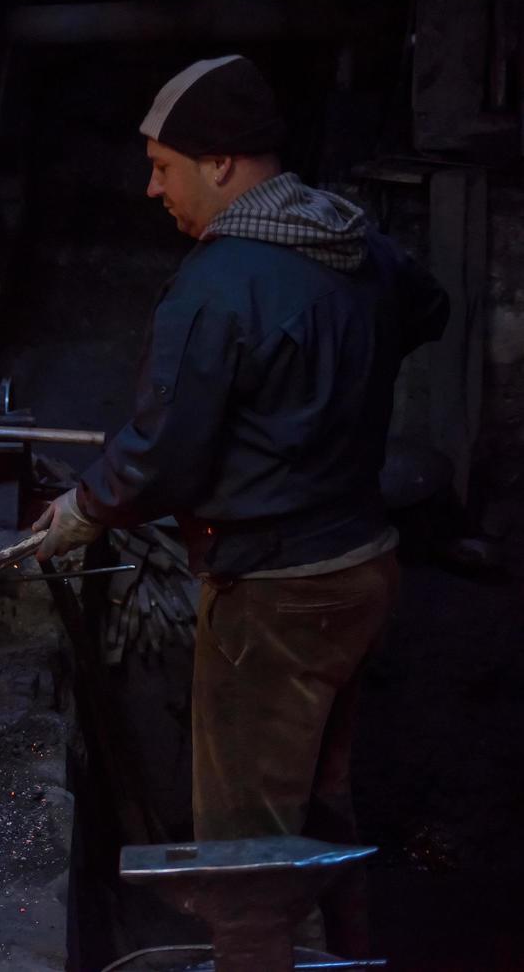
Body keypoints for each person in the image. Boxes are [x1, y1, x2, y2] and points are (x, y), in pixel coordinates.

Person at [31, 55, 450, 956]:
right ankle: (340, 951)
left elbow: (164, 455)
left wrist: (85, 510)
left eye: (162, 166)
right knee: (322, 796)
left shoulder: (217, 285)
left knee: (246, 843)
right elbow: (428, 309)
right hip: (361, 569)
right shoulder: (351, 242)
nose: (151, 187)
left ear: (219, 163)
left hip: (271, 593)